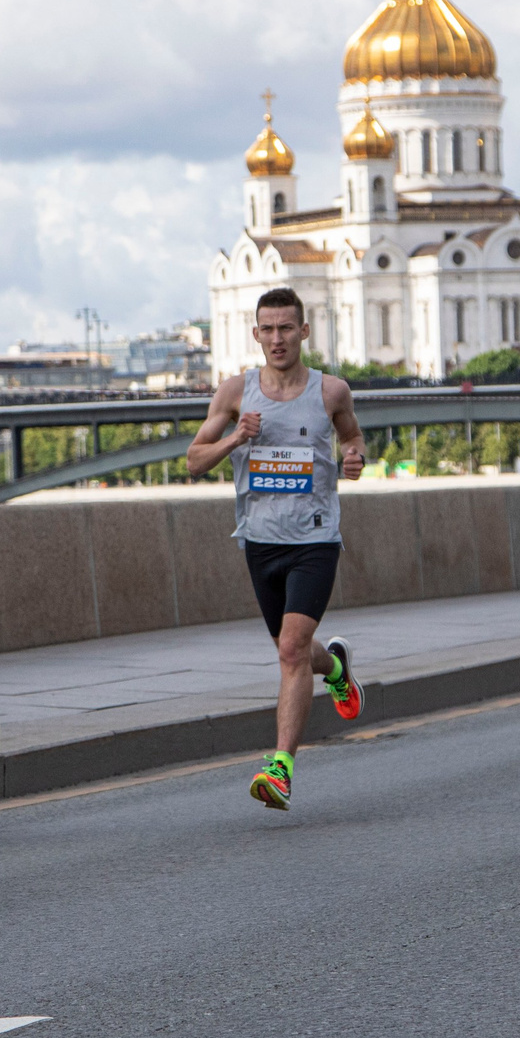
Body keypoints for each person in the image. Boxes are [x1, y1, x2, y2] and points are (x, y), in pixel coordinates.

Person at [185, 287, 367, 811]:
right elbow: (195, 461)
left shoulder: (331, 391)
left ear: (304, 332)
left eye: (287, 328)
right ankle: (334, 668)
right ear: (256, 334)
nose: (277, 338)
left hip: (314, 539)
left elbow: (353, 438)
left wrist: (354, 460)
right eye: (267, 328)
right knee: (293, 650)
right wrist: (234, 440)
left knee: (290, 650)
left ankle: (280, 767)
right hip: (259, 542)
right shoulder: (236, 392)